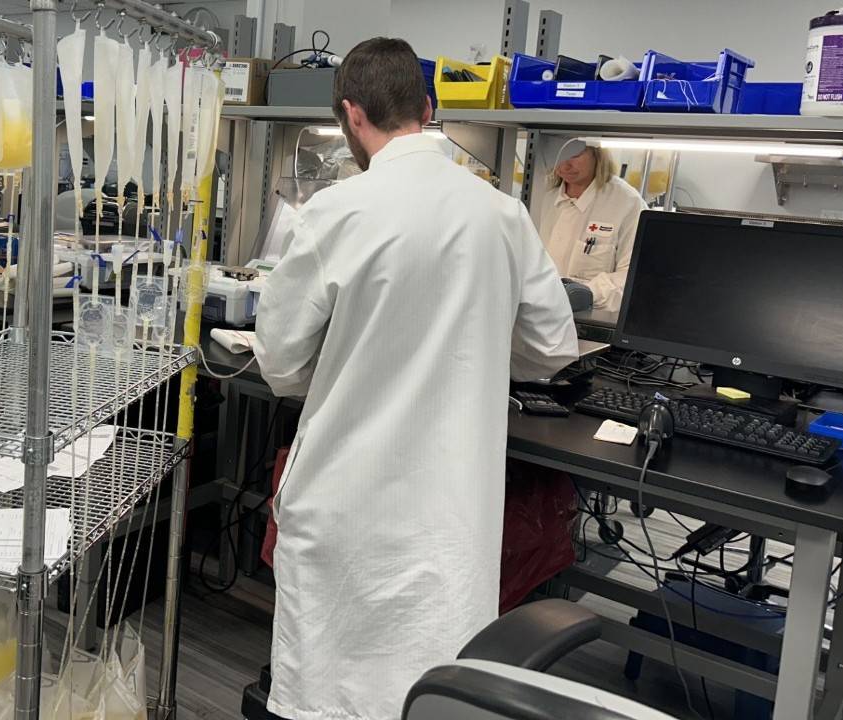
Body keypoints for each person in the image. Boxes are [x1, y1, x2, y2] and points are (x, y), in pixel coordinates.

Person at [252, 37, 579, 720]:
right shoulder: (503, 215)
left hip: (345, 510)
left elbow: (279, 366)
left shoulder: (336, 212)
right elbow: (553, 348)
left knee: (326, 696)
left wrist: (352, 355)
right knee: (432, 695)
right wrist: (476, 347)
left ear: (351, 115)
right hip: (447, 522)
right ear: (427, 108)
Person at [537, 140, 647, 312]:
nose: (565, 165)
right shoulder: (541, 196)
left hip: (592, 327)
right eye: (558, 156)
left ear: (597, 153)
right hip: (539, 319)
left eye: (574, 155)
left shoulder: (627, 203)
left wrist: (587, 294)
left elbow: (634, 276)